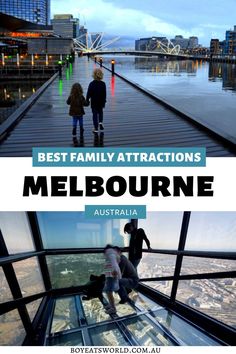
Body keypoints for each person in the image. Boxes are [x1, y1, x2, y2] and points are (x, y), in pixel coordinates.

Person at [86, 68, 106, 133]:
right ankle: (100, 123)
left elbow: (89, 93)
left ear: (94, 75)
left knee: (94, 115)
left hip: (94, 101)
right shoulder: (103, 84)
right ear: (101, 75)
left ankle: (96, 128)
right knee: (100, 112)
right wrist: (104, 102)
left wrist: (87, 100)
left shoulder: (91, 84)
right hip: (101, 101)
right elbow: (104, 94)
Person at [103, 245, 121, 314]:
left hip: (111, 276)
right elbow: (114, 263)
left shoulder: (110, 254)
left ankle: (113, 308)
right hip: (110, 276)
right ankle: (111, 305)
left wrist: (118, 275)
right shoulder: (111, 254)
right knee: (108, 291)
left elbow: (115, 265)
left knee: (108, 291)